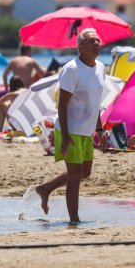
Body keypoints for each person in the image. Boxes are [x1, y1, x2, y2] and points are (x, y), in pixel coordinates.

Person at [34, 28, 107, 224]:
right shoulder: (71, 69)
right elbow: (62, 104)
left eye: (98, 41)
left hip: (87, 130)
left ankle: (46, 188)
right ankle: (74, 221)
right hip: (70, 130)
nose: (97, 44)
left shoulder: (101, 67)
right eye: (92, 42)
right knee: (75, 176)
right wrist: (65, 136)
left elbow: (95, 102)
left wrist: (99, 130)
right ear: (81, 47)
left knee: (85, 172)